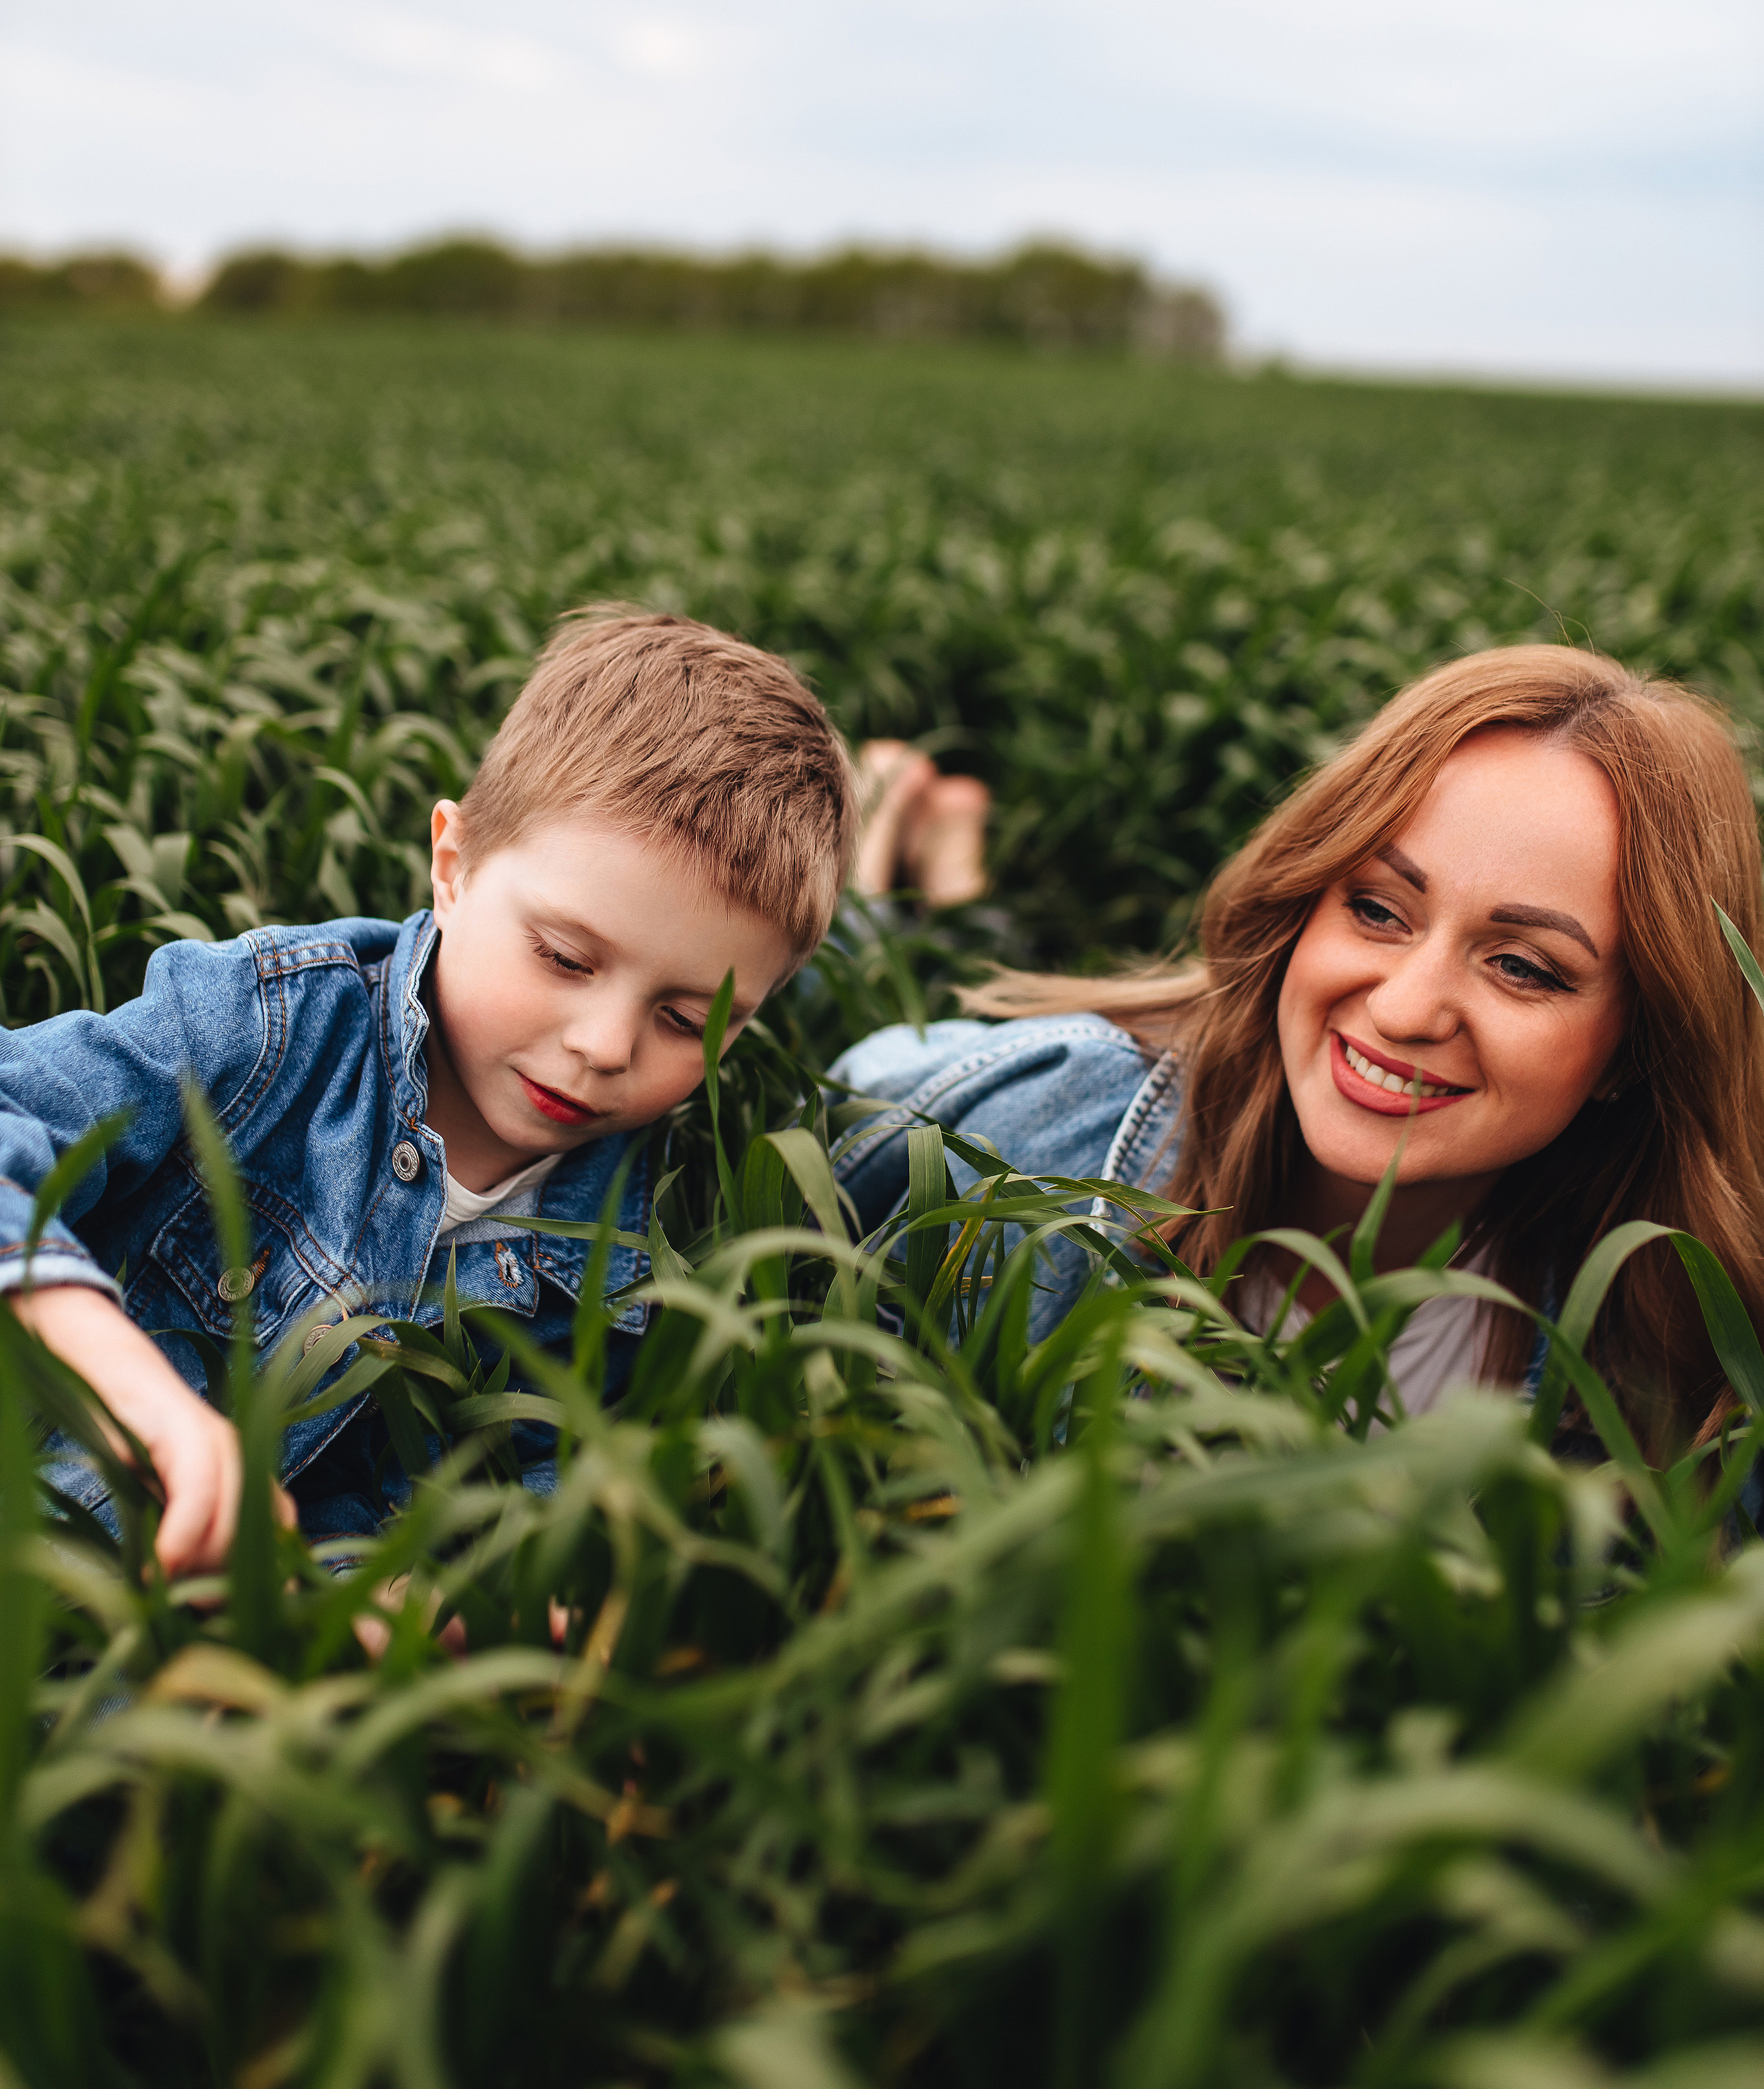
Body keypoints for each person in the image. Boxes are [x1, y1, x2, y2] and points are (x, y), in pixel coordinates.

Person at [1, 609, 858, 1571]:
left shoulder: (631, 1266)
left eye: (688, 1019)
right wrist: (129, 1386)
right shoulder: (266, 1024)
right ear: (453, 868)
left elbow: (478, 1509)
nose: (605, 1046)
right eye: (565, 958)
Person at [834, 646, 1764, 1457]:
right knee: (872, 965)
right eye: (1378, 909)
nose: (1403, 1010)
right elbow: (841, 1091)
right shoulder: (1049, 1124)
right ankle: (885, 869)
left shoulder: (1689, 1358)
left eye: (1522, 966)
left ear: (1638, 1052)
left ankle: (951, 870)